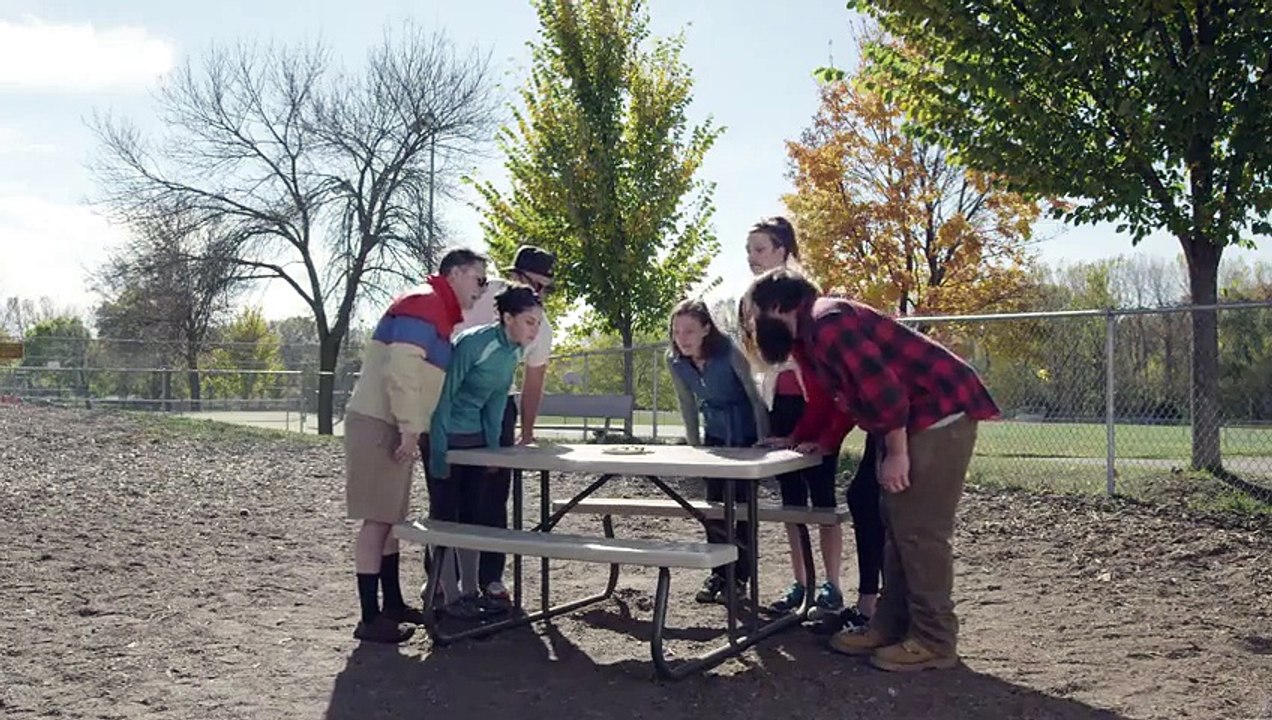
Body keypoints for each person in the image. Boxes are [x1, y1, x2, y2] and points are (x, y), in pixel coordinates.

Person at [745, 267, 999, 672]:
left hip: (938, 415)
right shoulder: (811, 335)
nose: (753, 325)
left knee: (920, 530)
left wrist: (896, 451)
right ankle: (891, 626)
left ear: (777, 307)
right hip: (911, 419)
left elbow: (884, 390)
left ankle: (934, 640)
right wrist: (817, 440)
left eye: (754, 315)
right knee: (897, 524)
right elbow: (846, 398)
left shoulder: (828, 322)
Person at [342, 247, 489, 644]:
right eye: (478, 279)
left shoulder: (436, 313)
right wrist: (410, 429)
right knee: (377, 519)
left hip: (393, 424)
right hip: (380, 423)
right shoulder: (423, 305)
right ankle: (369, 617)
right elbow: (401, 373)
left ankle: (391, 604)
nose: (482, 289)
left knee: (389, 516)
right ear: (456, 274)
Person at [740, 216, 882, 627]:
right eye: (749, 251)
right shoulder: (750, 302)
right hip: (778, 409)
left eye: (760, 249)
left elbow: (824, 379)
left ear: (784, 250)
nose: (752, 258)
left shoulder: (808, 302)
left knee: (822, 497)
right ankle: (800, 582)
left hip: (815, 408)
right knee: (790, 502)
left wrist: (815, 431)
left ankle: (831, 585)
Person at [438, 244, 556, 611]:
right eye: (534, 283)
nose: (539, 293)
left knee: (490, 495)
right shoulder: (478, 296)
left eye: (546, 288)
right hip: (449, 397)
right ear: (516, 276)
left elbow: (534, 379)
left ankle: (489, 579)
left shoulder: (539, 324)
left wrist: (528, 431)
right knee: (447, 496)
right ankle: (441, 583)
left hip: (494, 404)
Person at [666, 299, 769, 604]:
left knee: (741, 510)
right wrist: (695, 448)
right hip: (714, 437)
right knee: (713, 509)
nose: (682, 338)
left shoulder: (728, 352)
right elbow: (686, 404)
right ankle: (718, 574)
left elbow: (754, 396)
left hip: (746, 435)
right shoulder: (674, 361)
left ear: (706, 330)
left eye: (689, 331)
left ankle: (739, 579)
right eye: (677, 331)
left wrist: (762, 441)